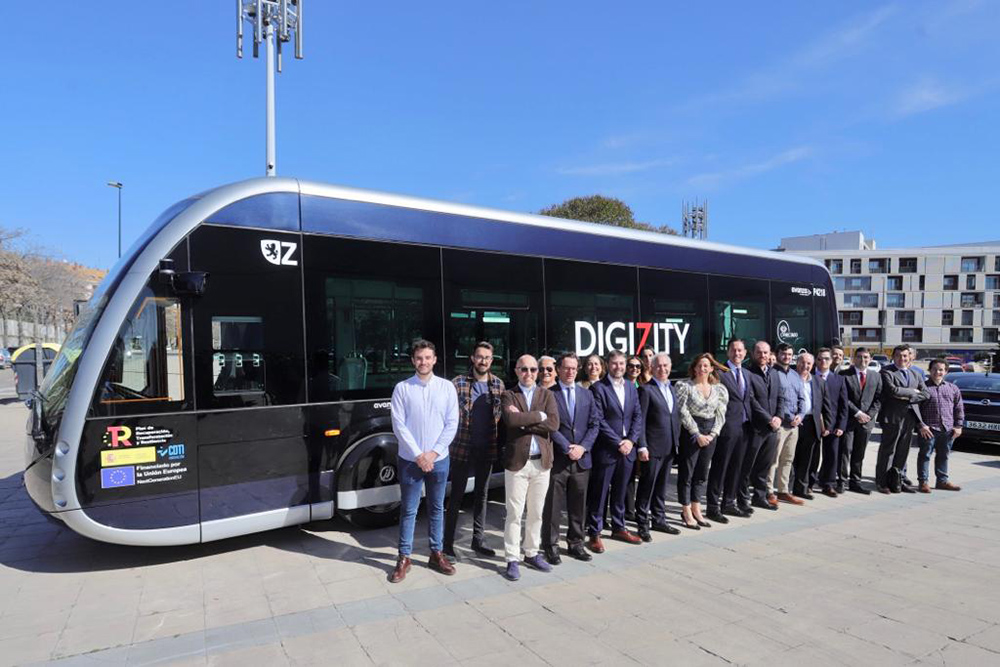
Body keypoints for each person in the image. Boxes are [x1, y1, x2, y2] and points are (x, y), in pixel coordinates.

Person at [389, 340, 459, 583]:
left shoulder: (447, 388)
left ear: (435, 360)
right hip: (410, 460)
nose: (423, 362)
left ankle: (436, 553)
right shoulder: (402, 388)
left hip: (439, 460)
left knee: (437, 508)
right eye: (419, 358)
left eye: (428, 357)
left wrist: (433, 453)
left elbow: (452, 423)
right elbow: (399, 426)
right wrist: (419, 454)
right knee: (408, 510)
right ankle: (404, 557)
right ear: (413, 360)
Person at [443, 341, 505, 562]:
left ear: (492, 360)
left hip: (487, 449)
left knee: (482, 495)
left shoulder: (498, 385)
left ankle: (478, 540)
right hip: (462, 448)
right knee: (456, 496)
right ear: (472, 358)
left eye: (487, 358)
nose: (483, 361)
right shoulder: (457, 384)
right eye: (479, 357)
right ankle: (447, 544)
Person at [500, 354, 560, 581]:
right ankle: (511, 558)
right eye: (524, 369)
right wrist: (538, 416)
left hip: (541, 463)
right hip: (517, 463)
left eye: (534, 370)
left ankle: (532, 553)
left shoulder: (548, 394)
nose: (529, 374)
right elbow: (510, 421)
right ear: (516, 370)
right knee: (514, 513)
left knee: (536, 512)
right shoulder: (508, 395)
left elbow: (553, 424)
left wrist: (524, 418)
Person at [542, 353, 600, 564]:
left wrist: (583, 447)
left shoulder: (587, 394)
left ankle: (576, 543)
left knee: (579, 505)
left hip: (582, 459)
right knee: (553, 506)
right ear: (558, 369)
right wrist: (567, 447)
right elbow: (549, 424)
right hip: (559, 459)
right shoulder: (549, 394)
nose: (570, 372)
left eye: (574, 368)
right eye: (566, 368)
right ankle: (550, 546)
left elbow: (595, 425)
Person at [586, 350, 644, 551]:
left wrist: (631, 441)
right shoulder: (598, 388)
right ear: (607, 365)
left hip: (627, 451)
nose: (618, 367)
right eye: (614, 363)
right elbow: (598, 420)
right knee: (600, 493)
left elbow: (637, 415)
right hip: (607, 450)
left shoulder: (631, 386)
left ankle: (619, 527)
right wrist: (619, 442)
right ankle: (594, 533)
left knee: (621, 492)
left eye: (621, 363)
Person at [675, 353, 729, 529]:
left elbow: (721, 413)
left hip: (710, 432)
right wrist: (696, 434)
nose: (703, 368)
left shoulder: (719, 389)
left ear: (711, 368)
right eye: (700, 365)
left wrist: (712, 434)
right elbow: (682, 411)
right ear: (694, 368)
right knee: (687, 473)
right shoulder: (685, 386)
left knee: (701, 473)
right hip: (692, 432)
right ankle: (686, 510)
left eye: (706, 366)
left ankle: (697, 508)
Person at [635, 353, 682, 539]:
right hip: (652, 448)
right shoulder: (646, 390)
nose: (663, 369)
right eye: (659, 366)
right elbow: (641, 421)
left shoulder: (671, 388)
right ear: (651, 368)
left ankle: (659, 519)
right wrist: (642, 446)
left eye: (666, 365)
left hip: (670, 447)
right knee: (647, 487)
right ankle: (642, 523)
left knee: (661, 487)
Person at [707, 339, 753, 523]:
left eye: (740, 350)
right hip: (725, 428)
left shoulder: (747, 374)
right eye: (733, 350)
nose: (737, 353)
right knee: (720, 467)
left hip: (744, 428)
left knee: (736, 467)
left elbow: (748, 400)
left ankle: (729, 502)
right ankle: (712, 506)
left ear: (745, 353)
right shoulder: (719, 373)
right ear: (728, 352)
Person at [876, 345, 929, 494]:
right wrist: (913, 392)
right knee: (888, 452)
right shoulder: (887, 371)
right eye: (899, 355)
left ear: (910, 357)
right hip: (892, 418)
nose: (902, 359)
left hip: (910, 418)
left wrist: (906, 395)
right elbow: (893, 391)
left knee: (902, 452)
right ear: (893, 356)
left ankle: (897, 481)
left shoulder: (915, 374)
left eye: (905, 356)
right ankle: (882, 482)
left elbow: (926, 393)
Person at [739, 341, 782, 512]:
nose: (762, 356)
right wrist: (768, 419)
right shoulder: (748, 373)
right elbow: (750, 400)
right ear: (753, 353)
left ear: (770, 353)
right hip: (755, 428)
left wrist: (778, 416)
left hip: (772, 429)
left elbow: (780, 397)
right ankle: (742, 499)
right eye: (759, 352)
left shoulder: (774, 373)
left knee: (764, 466)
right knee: (747, 466)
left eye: (765, 352)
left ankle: (760, 496)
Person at [916, 359, 964, 493]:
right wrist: (921, 425)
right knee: (925, 455)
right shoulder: (923, 387)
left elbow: (959, 408)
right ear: (929, 371)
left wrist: (958, 426)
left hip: (947, 429)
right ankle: (923, 482)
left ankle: (942, 481)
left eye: (941, 369)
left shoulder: (952, 388)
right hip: (928, 429)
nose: (938, 372)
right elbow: (915, 408)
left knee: (944, 455)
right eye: (935, 369)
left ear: (946, 371)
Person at [840, 347, 882, 495]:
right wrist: (858, 413)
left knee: (859, 453)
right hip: (849, 420)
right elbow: (843, 398)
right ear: (853, 359)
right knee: (845, 451)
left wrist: (868, 415)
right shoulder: (844, 375)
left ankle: (855, 482)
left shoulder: (876, 376)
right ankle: (842, 480)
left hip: (866, 423)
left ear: (870, 359)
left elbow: (878, 399)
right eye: (859, 357)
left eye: (865, 357)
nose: (862, 360)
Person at [790, 352, 830, 500]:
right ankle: (786, 487)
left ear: (812, 365)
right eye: (802, 362)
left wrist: (826, 425)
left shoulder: (818, 381)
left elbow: (825, 405)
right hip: (793, 422)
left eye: (808, 363)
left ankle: (802, 488)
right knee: (790, 457)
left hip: (811, 423)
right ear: (797, 362)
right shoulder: (790, 378)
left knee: (807, 459)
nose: (805, 366)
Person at [769, 343, 805, 506]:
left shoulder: (795, 375)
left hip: (794, 425)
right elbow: (775, 400)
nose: (787, 357)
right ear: (777, 355)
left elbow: (802, 398)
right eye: (784, 354)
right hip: (780, 424)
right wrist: (789, 416)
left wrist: (801, 415)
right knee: (773, 460)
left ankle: (783, 491)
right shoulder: (772, 374)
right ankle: (769, 491)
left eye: (790, 354)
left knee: (788, 459)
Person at [813, 347, 848, 496]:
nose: (823, 362)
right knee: (812, 454)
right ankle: (808, 481)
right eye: (820, 359)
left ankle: (828, 483)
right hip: (812, 423)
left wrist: (841, 425)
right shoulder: (809, 377)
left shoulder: (839, 380)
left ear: (831, 360)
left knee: (832, 455)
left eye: (826, 359)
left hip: (833, 424)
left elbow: (843, 405)